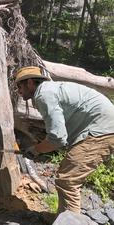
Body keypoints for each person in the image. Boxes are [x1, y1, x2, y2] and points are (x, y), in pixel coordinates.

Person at [14, 66, 114, 214]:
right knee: (66, 179)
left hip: (100, 130)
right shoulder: (49, 90)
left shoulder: (44, 95)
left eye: (19, 86)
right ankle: (63, 218)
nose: (18, 90)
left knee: (68, 180)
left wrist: (35, 150)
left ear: (30, 83)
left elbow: (58, 139)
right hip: (101, 127)